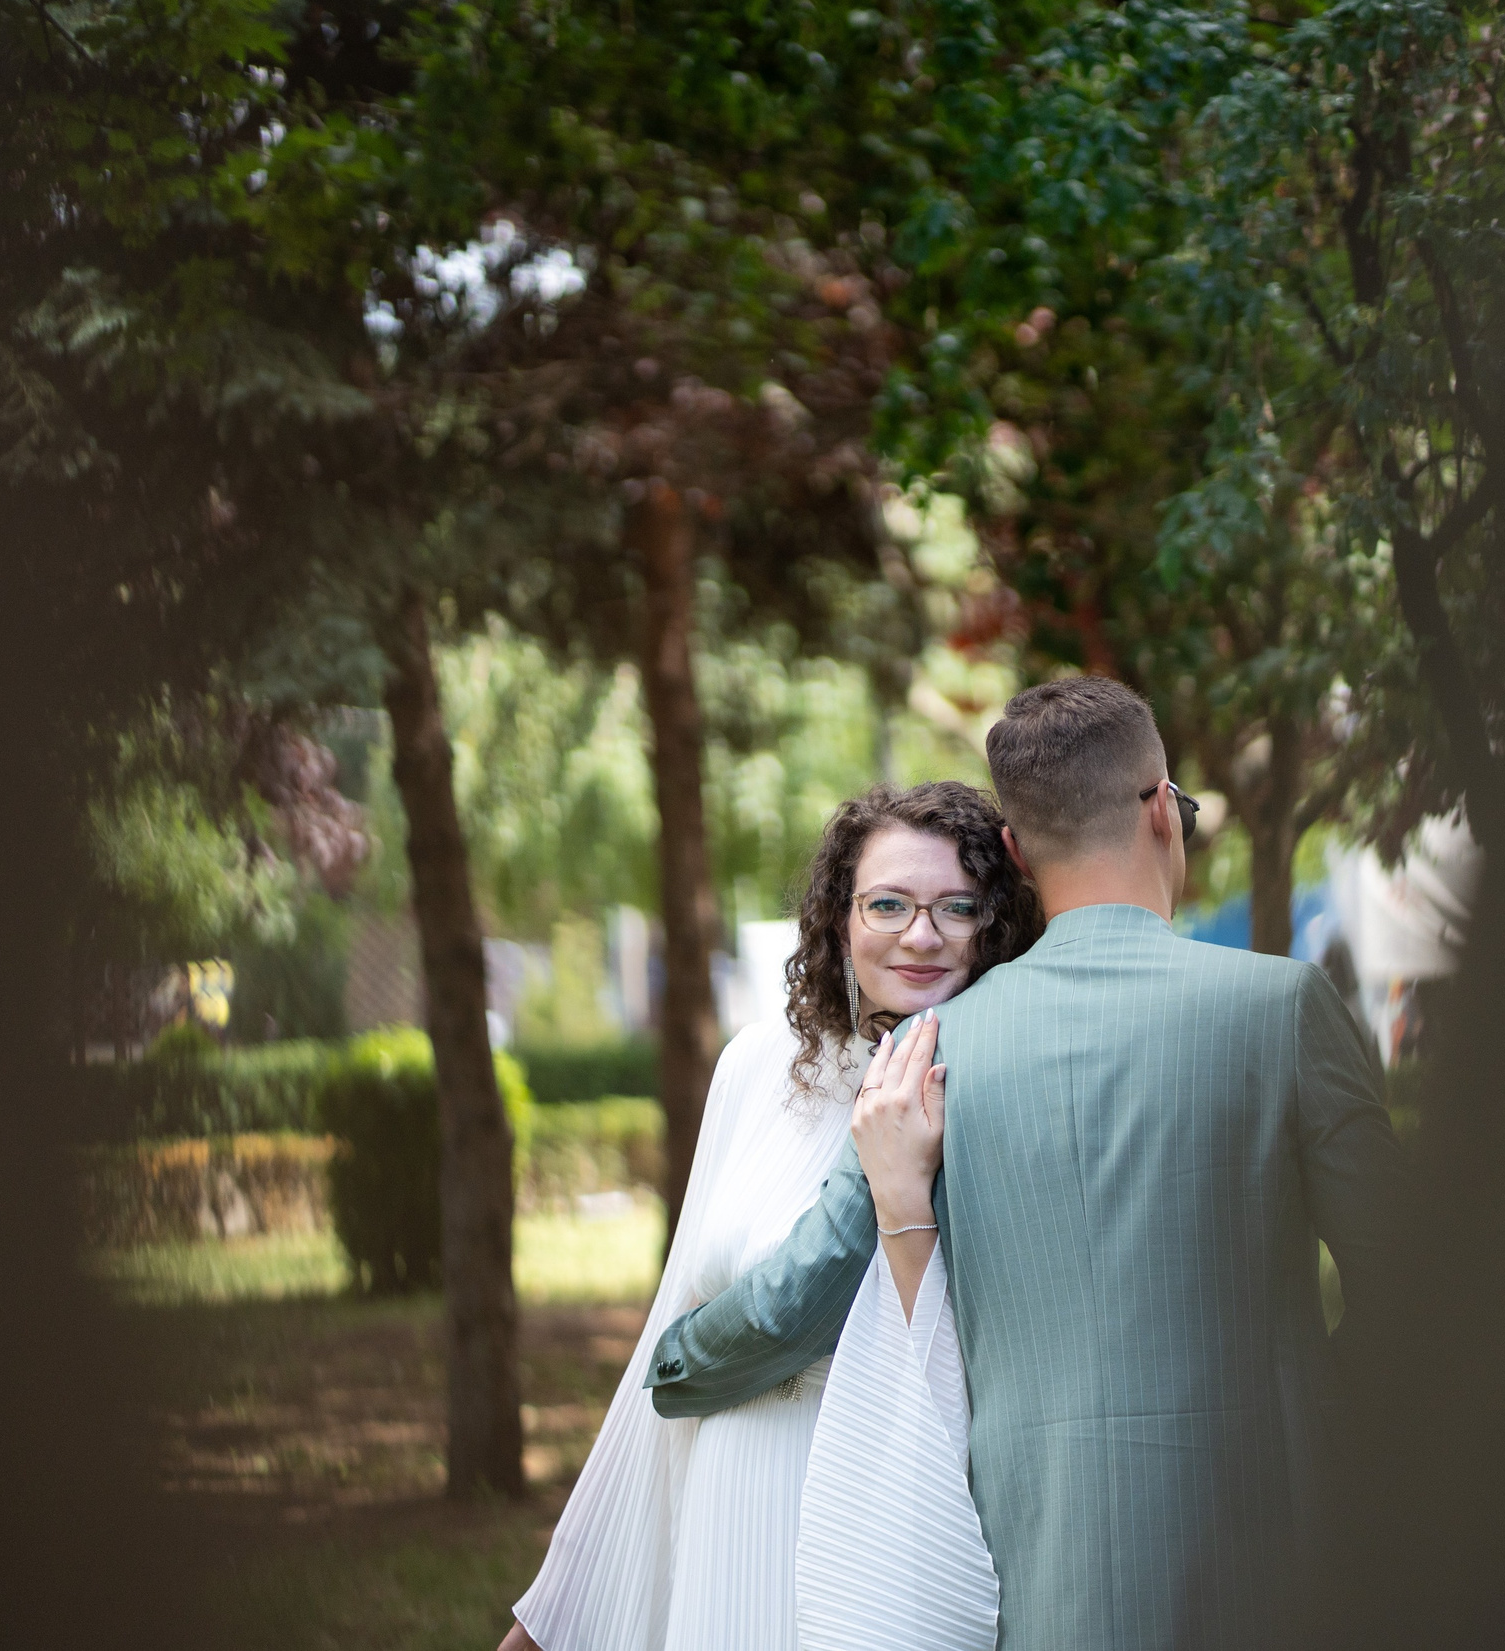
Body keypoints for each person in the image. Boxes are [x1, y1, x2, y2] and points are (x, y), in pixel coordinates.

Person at [646, 675, 1413, 1650]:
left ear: (1012, 848)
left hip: (1025, 1572)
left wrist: (674, 1364)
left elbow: (813, 1293)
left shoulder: (925, 1053)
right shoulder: (1284, 1010)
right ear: (1158, 813)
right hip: (1266, 1566)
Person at [500, 782, 1042, 1651]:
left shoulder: (1000, 1081)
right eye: (889, 903)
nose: (921, 933)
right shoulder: (758, 1066)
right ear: (839, 918)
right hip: (733, 1490)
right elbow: (667, 1337)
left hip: (878, 1514)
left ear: (997, 922)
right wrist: (558, 1604)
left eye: (957, 906)